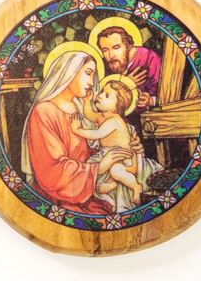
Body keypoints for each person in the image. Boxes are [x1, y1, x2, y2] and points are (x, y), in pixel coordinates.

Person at [20, 50, 144, 215]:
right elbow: (51, 169)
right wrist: (99, 168)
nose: (92, 83)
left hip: (87, 189)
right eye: (88, 73)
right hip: (60, 197)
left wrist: (127, 148)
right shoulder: (44, 112)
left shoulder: (79, 108)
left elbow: (88, 150)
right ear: (69, 72)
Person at [71, 79, 164, 212]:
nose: (100, 96)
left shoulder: (114, 121)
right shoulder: (102, 115)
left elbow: (97, 134)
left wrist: (77, 130)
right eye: (102, 92)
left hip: (123, 157)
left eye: (107, 95)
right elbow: (89, 114)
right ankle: (108, 185)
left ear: (116, 107)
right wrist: (87, 100)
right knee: (91, 168)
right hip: (107, 154)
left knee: (115, 170)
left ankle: (136, 186)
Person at [97, 26, 162, 114]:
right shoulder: (104, 65)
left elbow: (163, 95)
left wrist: (151, 101)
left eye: (116, 47)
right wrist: (127, 83)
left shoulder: (150, 59)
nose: (111, 55)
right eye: (105, 50)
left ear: (129, 46)